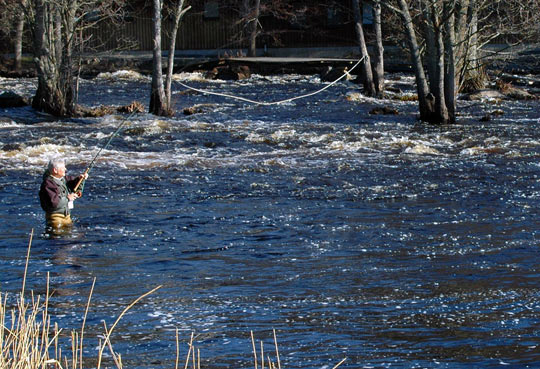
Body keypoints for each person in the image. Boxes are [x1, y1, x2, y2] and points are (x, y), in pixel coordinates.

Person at [39, 157, 88, 228]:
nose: (65, 169)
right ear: (55, 170)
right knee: (59, 237)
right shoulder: (48, 184)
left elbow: (74, 185)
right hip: (55, 218)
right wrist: (68, 198)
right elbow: (54, 202)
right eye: (63, 168)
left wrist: (81, 179)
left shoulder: (63, 179)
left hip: (66, 216)